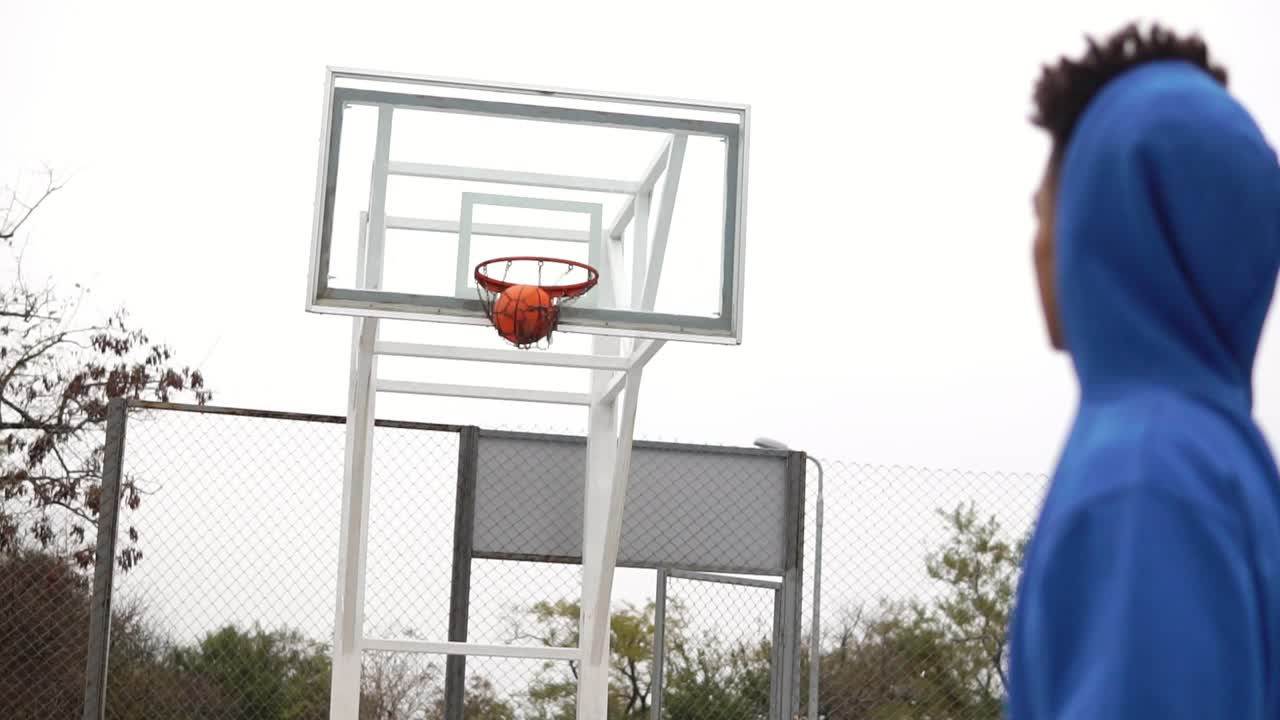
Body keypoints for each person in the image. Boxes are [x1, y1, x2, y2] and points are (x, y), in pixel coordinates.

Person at [1007, 21, 1280, 718]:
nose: (1037, 247)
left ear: (1100, 227)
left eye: (1046, 214)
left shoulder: (1143, 475)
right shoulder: (1224, 457)